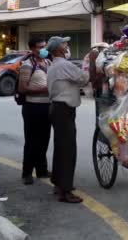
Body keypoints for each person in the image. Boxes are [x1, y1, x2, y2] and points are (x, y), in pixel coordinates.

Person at [46, 36, 89, 203]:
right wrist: (90, 65)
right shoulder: (63, 65)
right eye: (64, 44)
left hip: (59, 108)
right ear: (58, 49)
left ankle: (58, 183)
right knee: (67, 150)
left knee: (61, 148)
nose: (67, 46)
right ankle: (66, 190)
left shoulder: (55, 65)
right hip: (63, 109)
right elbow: (83, 78)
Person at [17, 37, 52, 185]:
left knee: (44, 140)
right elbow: (22, 88)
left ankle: (42, 170)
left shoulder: (49, 63)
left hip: (47, 106)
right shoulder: (27, 65)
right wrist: (45, 89)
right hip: (32, 107)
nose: (42, 49)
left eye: (44, 46)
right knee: (32, 141)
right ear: (32, 49)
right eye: (39, 47)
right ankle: (27, 173)